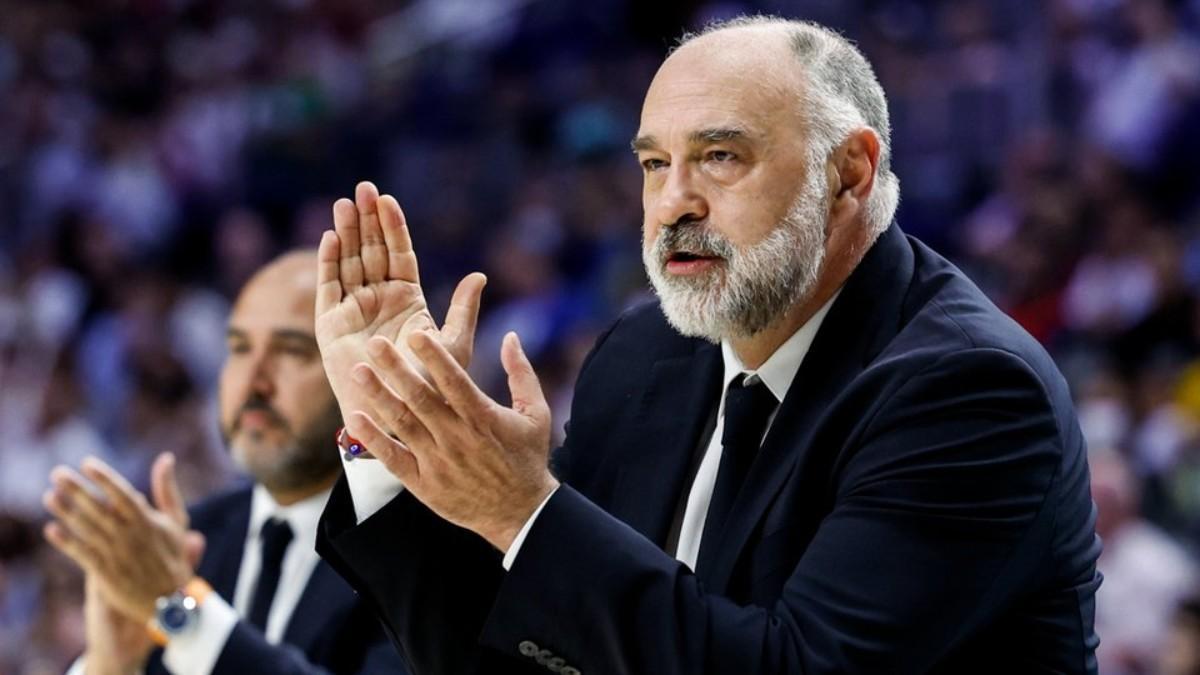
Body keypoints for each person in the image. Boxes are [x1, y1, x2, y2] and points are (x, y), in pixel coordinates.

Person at [314, 16, 1102, 674]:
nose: (673, 202)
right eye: (656, 163)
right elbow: (528, 652)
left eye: (720, 157)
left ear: (850, 173)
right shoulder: (641, 357)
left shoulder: (969, 391)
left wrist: (523, 510)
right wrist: (389, 433)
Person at [42, 252, 408, 675]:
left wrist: (183, 611)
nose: (253, 381)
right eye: (238, 348)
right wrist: (112, 663)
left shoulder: (420, 551)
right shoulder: (183, 541)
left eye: (292, 351)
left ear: (369, 375)